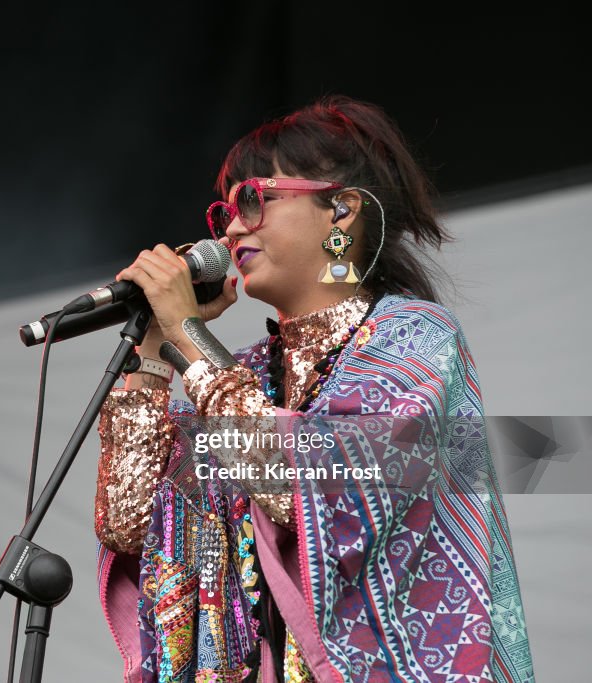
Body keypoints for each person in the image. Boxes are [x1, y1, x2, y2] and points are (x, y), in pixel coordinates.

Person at [94, 95, 534, 682]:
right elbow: (130, 523)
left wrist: (190, 334)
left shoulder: (415, 340)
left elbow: (304, 485)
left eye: (255, 198)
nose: (231, 228)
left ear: (342, 211)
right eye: (223, 210)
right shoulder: (243, 375)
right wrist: (154, 353)